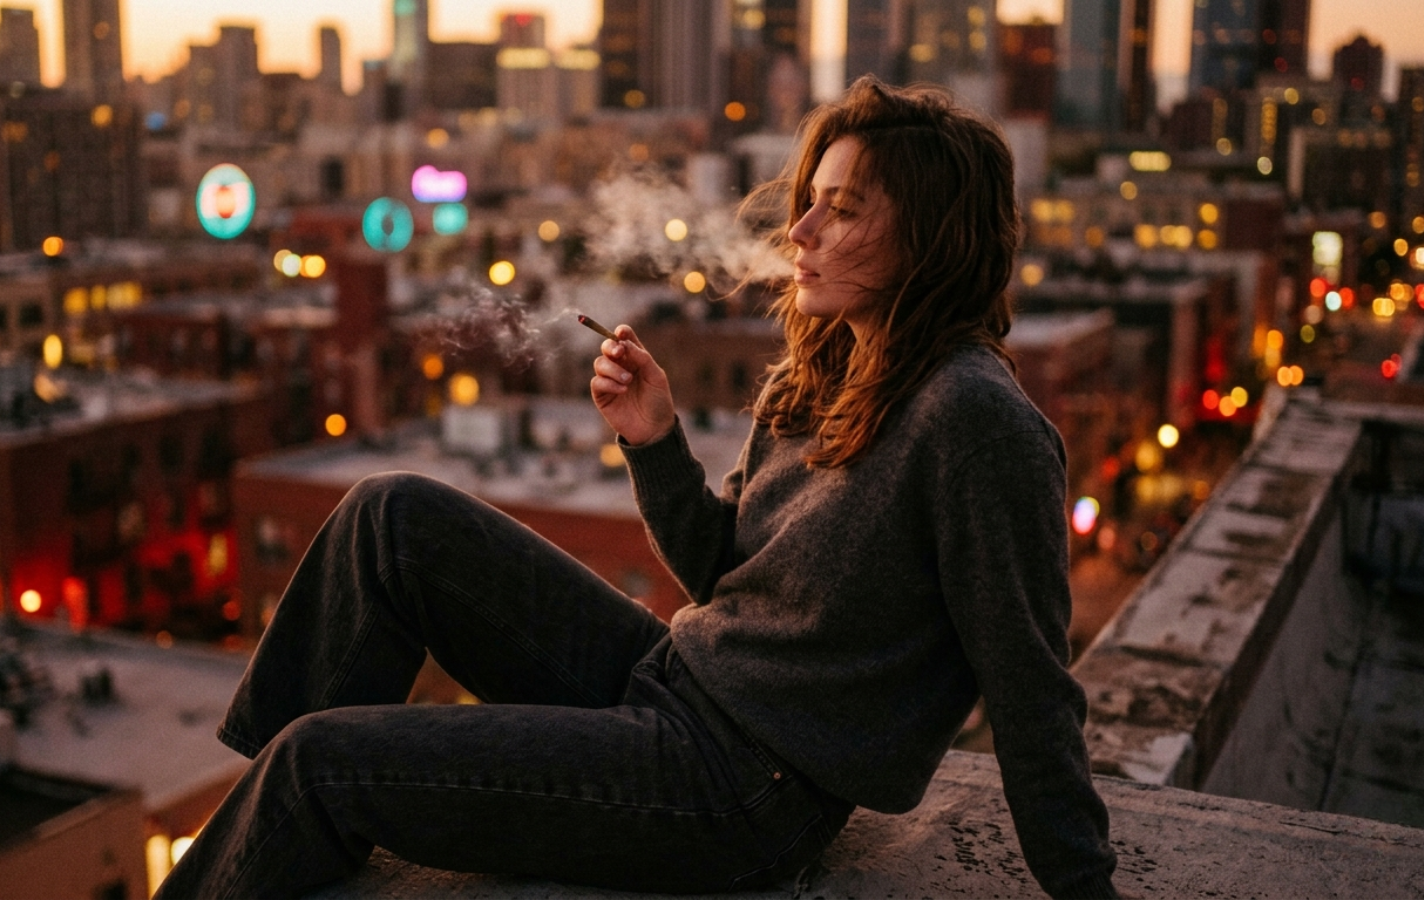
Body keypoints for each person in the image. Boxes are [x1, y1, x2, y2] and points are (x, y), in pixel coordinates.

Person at [155, 76, 1118, 900]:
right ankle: (266, 822)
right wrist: (655, 442)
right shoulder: (823, 370)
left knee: (325, 763)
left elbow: (1032, 685)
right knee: (390, 514)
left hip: (741, 790)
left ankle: (280, 812)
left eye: (847, 208)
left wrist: (1084, 885)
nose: (803, 229)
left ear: (934, 238)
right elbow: (721, 575)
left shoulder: (977, 422)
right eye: (811, 199)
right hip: (673, 684)